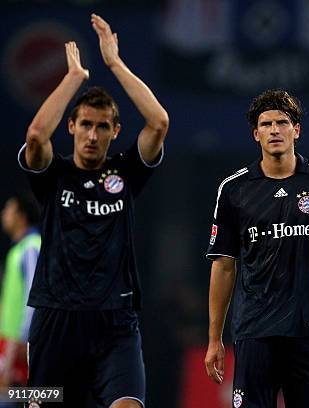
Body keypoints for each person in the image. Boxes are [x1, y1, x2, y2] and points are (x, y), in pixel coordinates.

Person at [18, 14, 168, 407]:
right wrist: (74, 78)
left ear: (115, 132)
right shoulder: (54, 176)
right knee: (40, 402)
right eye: (85, 124)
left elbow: (158, 122)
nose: (92, 134)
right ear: (71, 126)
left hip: (115, 320)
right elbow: (35, 136)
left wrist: (115, 63)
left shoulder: (125, 174)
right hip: (56, 318)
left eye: (103, 127)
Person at [204, 89, 309, 407]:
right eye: (266, 124)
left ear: (297, 130)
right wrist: (214, 338)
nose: (274, 130)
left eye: (282, 122)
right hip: (255, 330)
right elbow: (223, 266)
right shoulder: (235, 189)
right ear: (255, 134)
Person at [0, 193, 41, 399]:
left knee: (19, 399)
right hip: (10, 344)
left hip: (21, 347)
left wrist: (19, 343)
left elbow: (33, 299)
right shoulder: (17, 249)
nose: (4, 214)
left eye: (9, 209)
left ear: (21, 216)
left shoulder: (31, 247)